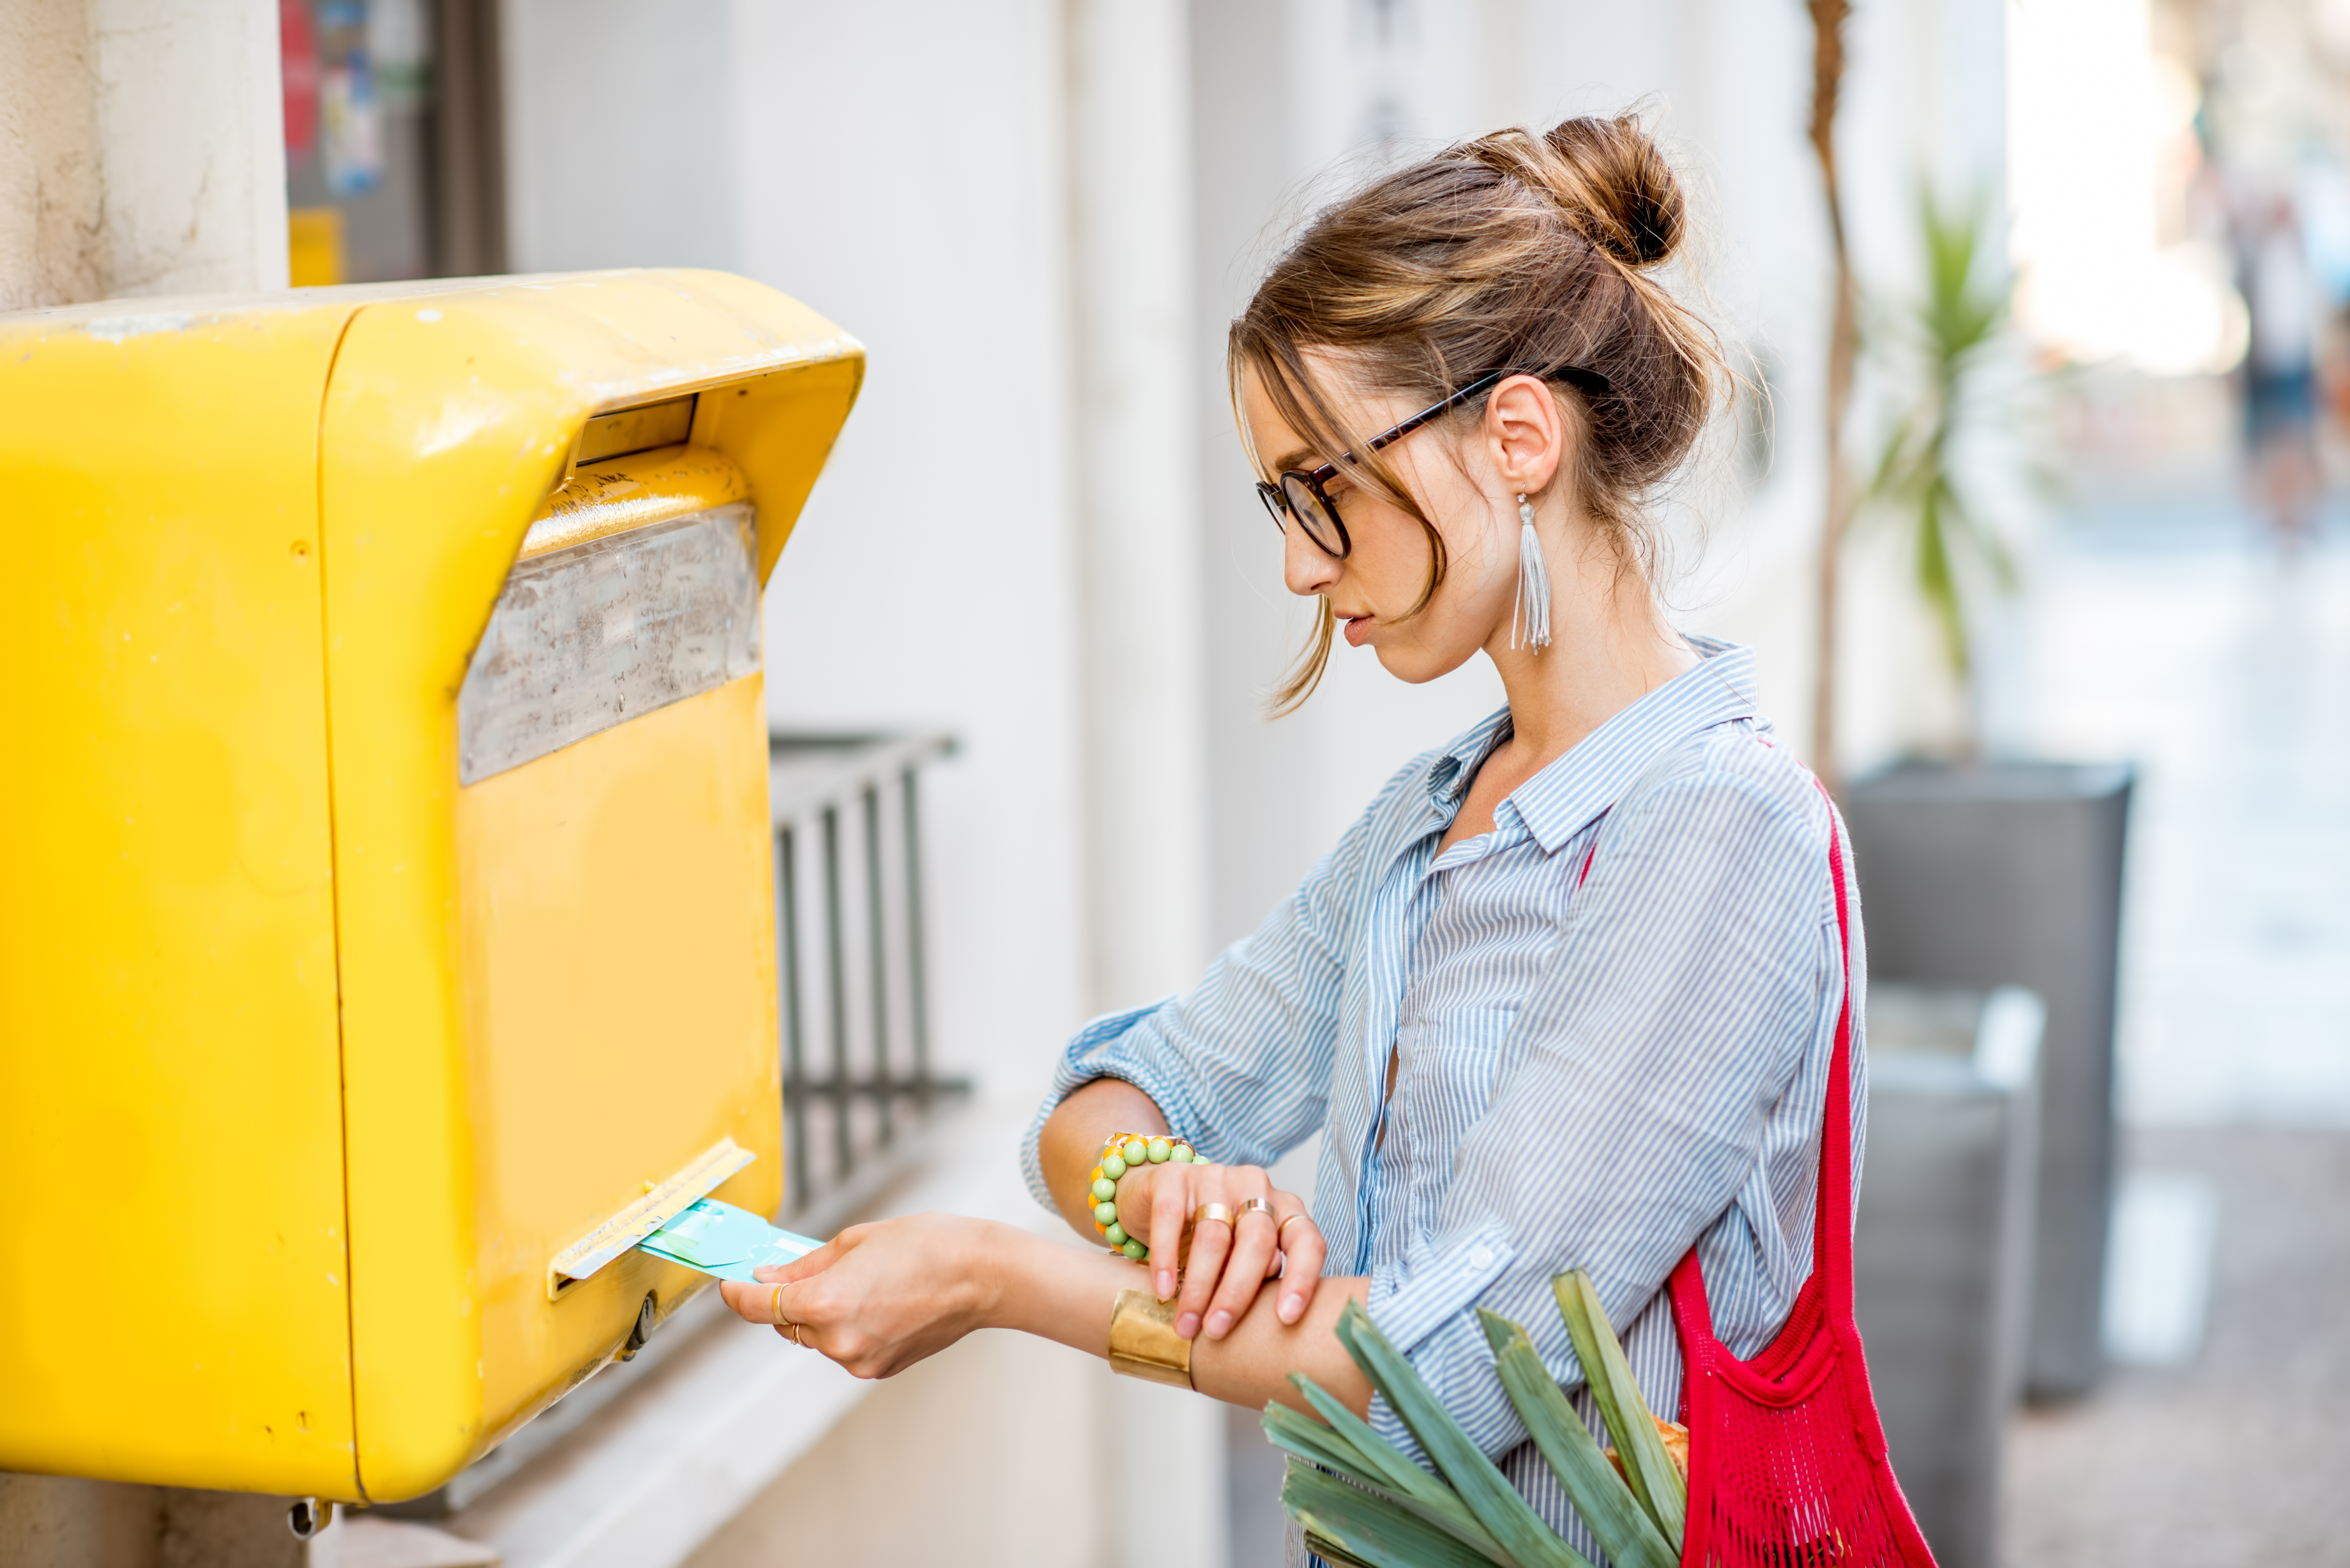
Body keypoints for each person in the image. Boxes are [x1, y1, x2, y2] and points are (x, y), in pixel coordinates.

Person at [720, 114, 1865, 1563]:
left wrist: (999, 1281)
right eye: (1281, 500)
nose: (1298, 564)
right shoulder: (1431, 820)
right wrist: (1170, 1192)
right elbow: (1103, 1103)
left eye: (1325, 489)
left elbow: (1455, 1371)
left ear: (1518, 437)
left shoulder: (1720, 827)